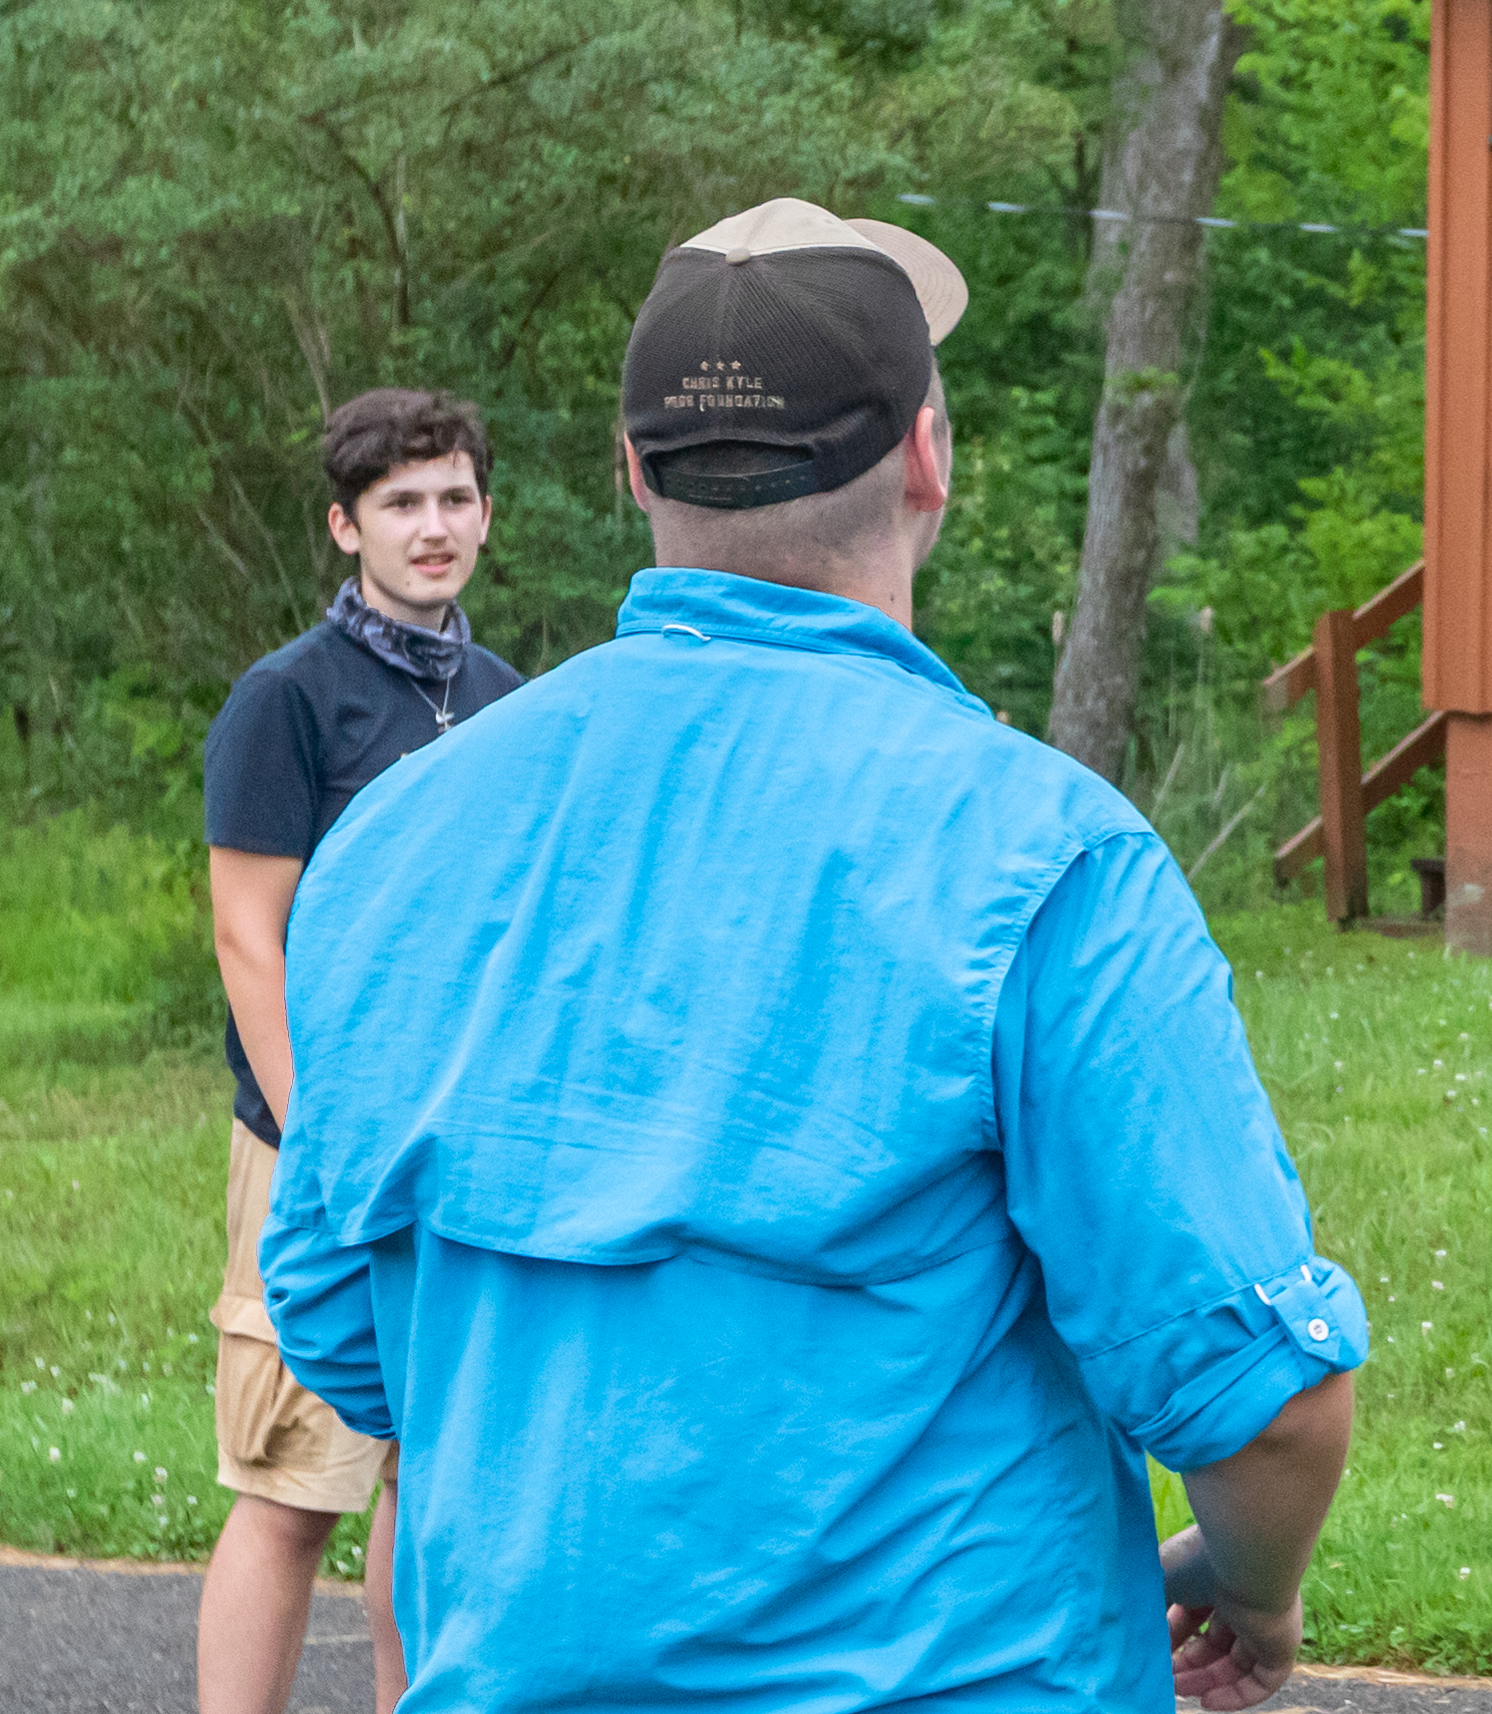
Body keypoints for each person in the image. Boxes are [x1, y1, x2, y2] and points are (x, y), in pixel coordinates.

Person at [256, 199, 1365, 1713]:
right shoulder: (1047, 858)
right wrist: (1250, 1592)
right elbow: (1264, 1402)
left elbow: (343, 1324)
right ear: (927, 457)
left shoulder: (388, 840)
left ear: (635, 468)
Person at [197, 389, 524, 1714]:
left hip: (454, 1151)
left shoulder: (509, 703)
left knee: (428, 1479)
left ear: (485, 514)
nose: (431, 527)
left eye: (453, 499)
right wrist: (322, 1142)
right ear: (346, 525)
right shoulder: (286, 702)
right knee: (294, 1488)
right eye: (400, 504)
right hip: (313, 1153)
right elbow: (244, 936)